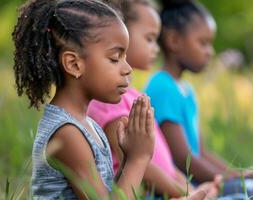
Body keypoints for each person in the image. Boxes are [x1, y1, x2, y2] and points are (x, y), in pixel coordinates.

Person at [12, 0, 155, 199]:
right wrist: (139, 159)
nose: (127, 69)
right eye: (115, 58)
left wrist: (128, 160)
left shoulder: (89, 126)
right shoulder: (66, 133)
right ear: (74, 64)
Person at [144, 0, 253, 199]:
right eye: (203, 43)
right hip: (183, 186)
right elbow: (184, 159)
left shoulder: (186, 90)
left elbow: (201, 151)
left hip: (200, 180)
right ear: (174, 40)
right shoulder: (161, 86)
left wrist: (239, 173)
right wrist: (238, 178)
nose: (210, 51)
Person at [88, 0, 222, 199]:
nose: (157, 48)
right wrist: (190, 192)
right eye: (149, 38)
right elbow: (140, 166)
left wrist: (193, 191)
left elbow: (166, 164)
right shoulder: (108, 101)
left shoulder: (133, 96)